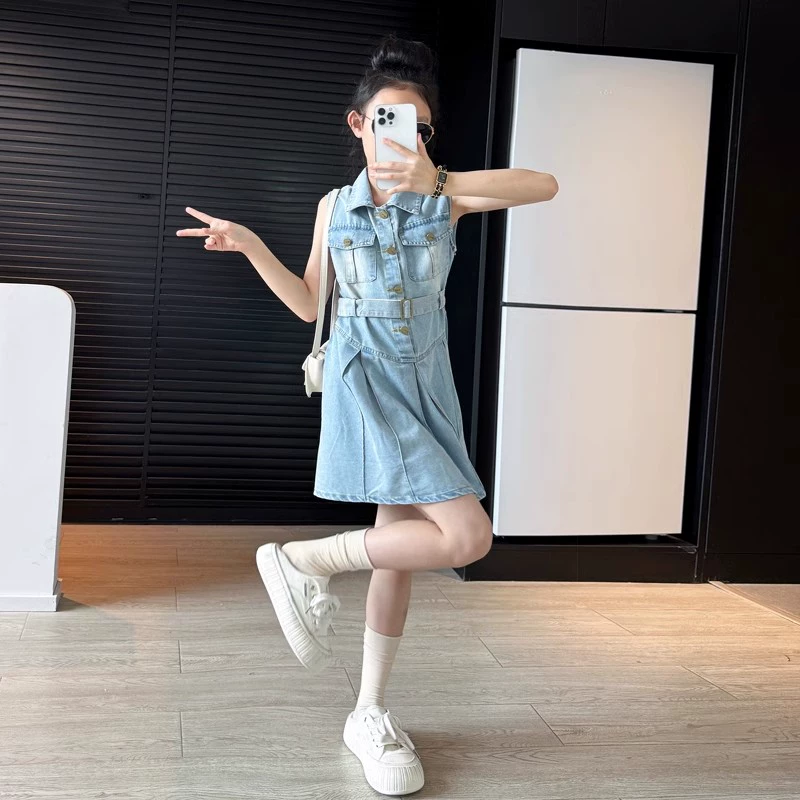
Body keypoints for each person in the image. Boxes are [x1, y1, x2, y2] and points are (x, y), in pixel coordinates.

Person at [176, 32, 558, 798]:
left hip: (428, 386)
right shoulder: (334, 206)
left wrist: (438, 176)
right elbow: (311, 304)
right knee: (467, 536)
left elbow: (543, 185)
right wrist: (251, 245)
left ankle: (369, 711)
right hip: (367, 379)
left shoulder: (444, 194)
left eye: (414, 124)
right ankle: (302, 562)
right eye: (385, 119)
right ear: (358, 124)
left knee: (398, 547)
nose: (400, 136)